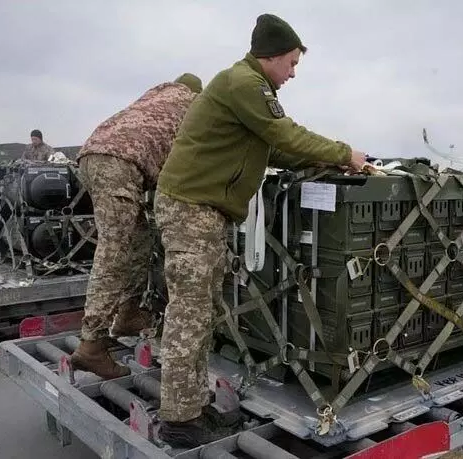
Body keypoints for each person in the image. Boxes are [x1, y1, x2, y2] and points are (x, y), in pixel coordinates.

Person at [153, 13, 367, 447]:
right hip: (191, 208)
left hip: (204, 212)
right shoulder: (244, 84)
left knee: (204, 312)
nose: (292, 73)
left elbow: (276, 151)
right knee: (189, 316)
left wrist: (331, 162)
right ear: (269, 57)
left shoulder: (250, 89)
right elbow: (284, 134)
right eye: (290, 63)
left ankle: (190, 406)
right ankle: (178, 418)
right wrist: (346, 152)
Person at [70, 73, 203, 380]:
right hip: (119, 162)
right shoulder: (192, 105)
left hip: (95, 154)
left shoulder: (157, 95)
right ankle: (91, 346)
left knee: (139, 238)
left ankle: (128, 312)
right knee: (114, 251)